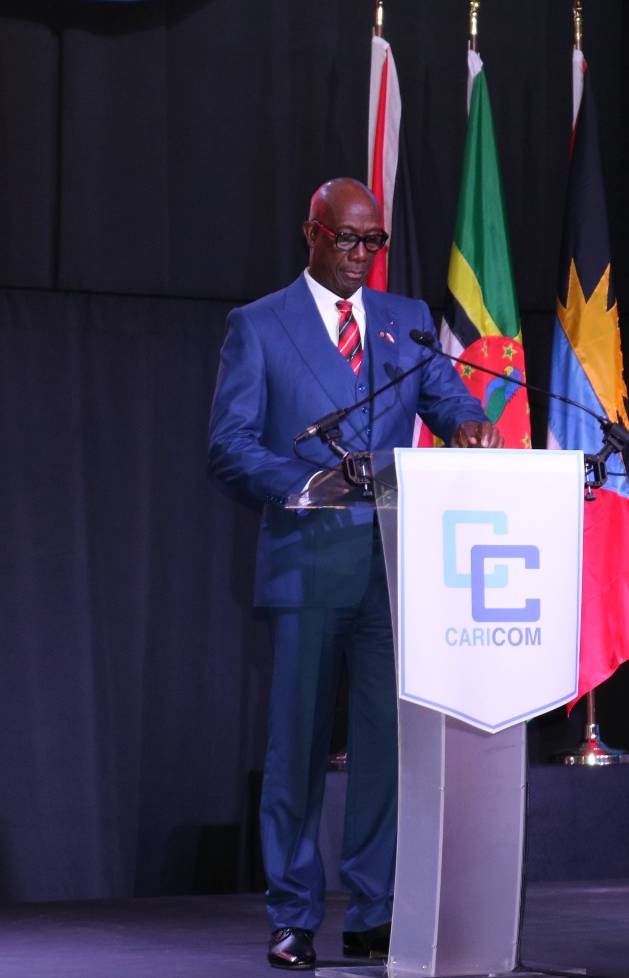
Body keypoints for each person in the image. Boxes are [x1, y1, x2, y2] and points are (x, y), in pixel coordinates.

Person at [209, 178, 501, 969]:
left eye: (374, 243)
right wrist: (299, 485)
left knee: (383, 747)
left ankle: (375, 909)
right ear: (311, 232)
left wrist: (472, 425)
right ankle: (293, 914)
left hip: (397, 567)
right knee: (298, 747)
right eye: (347, 239)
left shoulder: (406, 321)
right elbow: (228, 444)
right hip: (308, 561)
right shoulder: (259, 326)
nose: (361, 257)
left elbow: (445, 399)